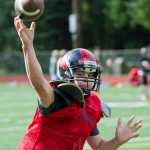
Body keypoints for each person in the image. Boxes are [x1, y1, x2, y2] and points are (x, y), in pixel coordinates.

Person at [14, 17, 142, 150]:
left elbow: (99, 146)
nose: (87, 79)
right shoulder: (57, 97)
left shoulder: (93, 103)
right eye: (81, 74)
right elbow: (38, 83)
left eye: (90, 74)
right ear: (66, 74)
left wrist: (117, 140)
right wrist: (28, 46)